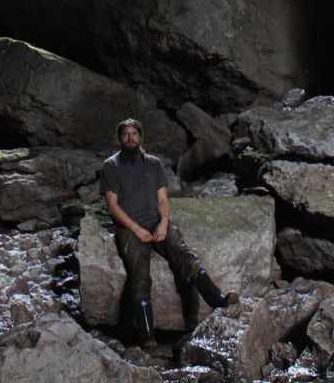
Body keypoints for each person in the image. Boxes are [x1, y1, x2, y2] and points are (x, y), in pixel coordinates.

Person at [101, 117, 238, 344]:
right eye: (125, 134)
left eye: (134, 134)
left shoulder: (154, 164)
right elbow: (113, 206)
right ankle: (148, 339)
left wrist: (164, 222)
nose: (130, 138)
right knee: (140, 276)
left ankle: (218, 300)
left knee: (183, 255)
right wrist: (136, 229)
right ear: (119, 138)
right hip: (129, 227)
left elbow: (163, 199)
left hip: (156, 221)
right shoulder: (111, 166)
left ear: (141, 137)